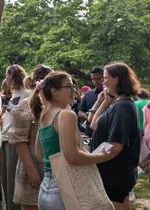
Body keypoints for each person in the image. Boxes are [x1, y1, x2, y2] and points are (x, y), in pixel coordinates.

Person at [34, 72, 112, 210]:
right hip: (64, 191)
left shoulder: (44, 115)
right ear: (54, 92)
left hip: (45, 189)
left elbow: (40, 155)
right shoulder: (66, 115)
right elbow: (73, 157)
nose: (74, 90)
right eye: (69, 86)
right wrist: (101, 156)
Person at [90, 62, 141, 210]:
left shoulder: (123, 107)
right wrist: (105, 101)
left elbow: (116, 146)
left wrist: (90, 159)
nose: (103, 81)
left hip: (115, 171)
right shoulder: (117, 103)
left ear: (117, 79)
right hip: (114, 170)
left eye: (106, 78)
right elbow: (94, 125)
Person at [9, 64, 52, 210]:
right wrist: (31, 170)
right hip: (31, 165)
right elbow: (19, 141)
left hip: (52, 167)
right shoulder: (24, 107)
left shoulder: (55, 106)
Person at [0, 64, 30, 210]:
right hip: (5, 139)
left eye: (7, 76)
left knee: (13, 178)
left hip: (15, 140)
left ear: (12, 76)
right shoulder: (15, 94)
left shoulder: (27, 94)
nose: (6, 79)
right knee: (6, 178)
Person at [78, 66, 104, 138]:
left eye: (98, 79)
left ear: (104, 78)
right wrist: (86, 115)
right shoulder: (88, 94)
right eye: (93, 79)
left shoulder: (112, 95)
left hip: (105, 132)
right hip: (90, 133)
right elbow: (80, 112)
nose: (95, 82)